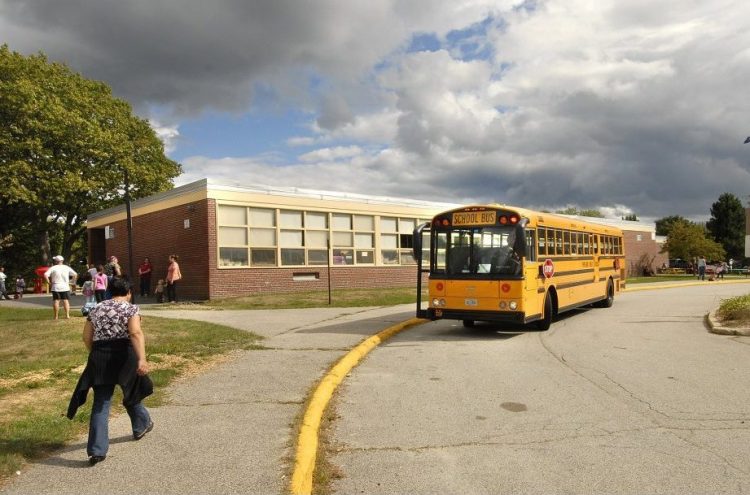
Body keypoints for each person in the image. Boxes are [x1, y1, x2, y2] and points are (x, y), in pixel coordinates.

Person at [66, 277, 154, 466]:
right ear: (129, 292)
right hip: (124, 355)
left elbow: (86, 336)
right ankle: (141, 425)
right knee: (132, 392)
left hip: (100, 355)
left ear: (109, 291)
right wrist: (142, 359)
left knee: (101, 403)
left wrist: (96, 354)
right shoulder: (131, 308)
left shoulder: (95, 308)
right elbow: (135, 333)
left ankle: (96, 451)